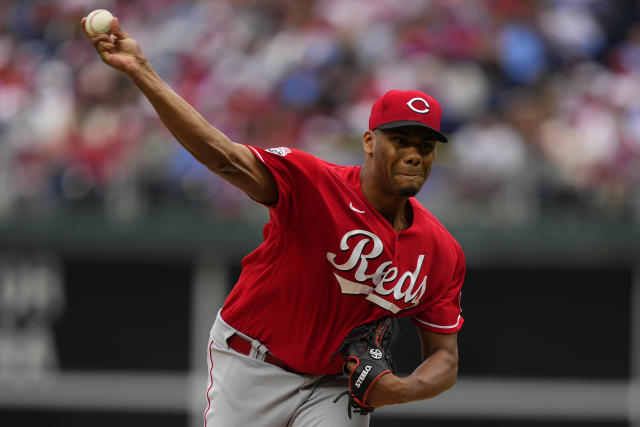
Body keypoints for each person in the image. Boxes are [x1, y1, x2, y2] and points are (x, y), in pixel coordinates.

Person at [82, 15, 465, 427]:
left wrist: (403, 389)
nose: (414, 155)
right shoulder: (313, 183)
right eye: (400, 140)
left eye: (425, 146)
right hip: (253, 363)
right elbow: (224, 157)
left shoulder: (440, 251)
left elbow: (444, 356)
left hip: (334, 386)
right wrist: (142, 72)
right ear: (369, 142)